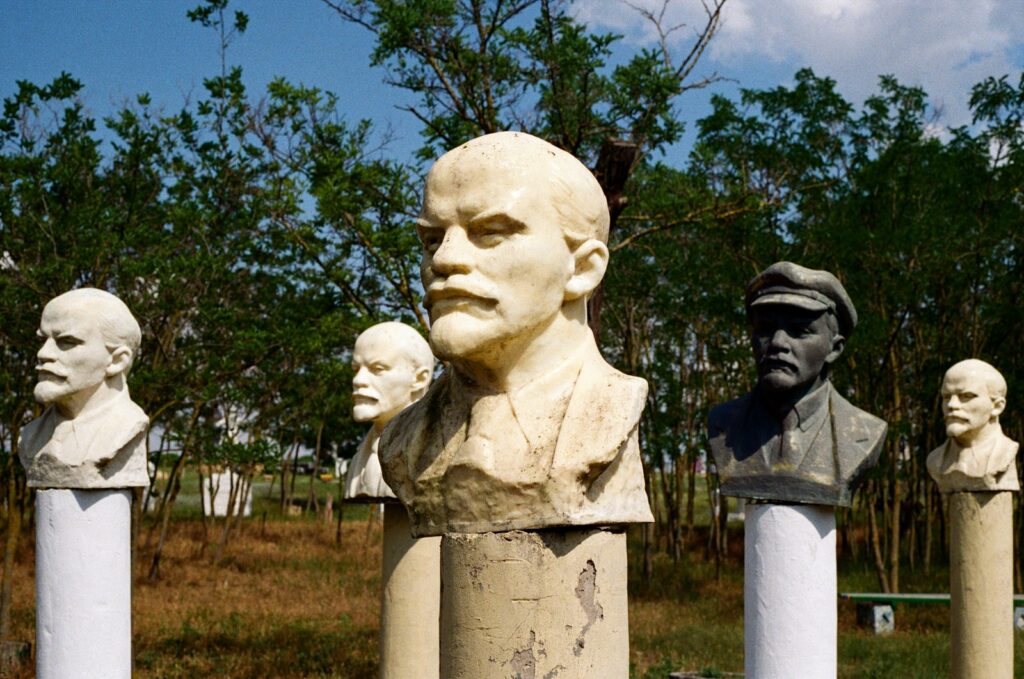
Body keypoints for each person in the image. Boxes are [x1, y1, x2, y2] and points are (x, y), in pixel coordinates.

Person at [379, 131, 653, 536]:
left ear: (581, 269)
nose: (444, 259)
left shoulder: (610, 414)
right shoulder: (401, 443)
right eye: (431, 239)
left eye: (490, 231)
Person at [708, 262, 887, 506]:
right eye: (765, 329)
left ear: (834, 349)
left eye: (799, 331)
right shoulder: (723, 426)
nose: (778, 342)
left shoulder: (865, 432)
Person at [19, 288, 150, 488]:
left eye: (67, 342)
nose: (43, 353)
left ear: (116, 360)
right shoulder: (30, 437)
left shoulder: (127, 428)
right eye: (42, 339)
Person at [344, 322, 433, 501]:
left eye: (378, 369)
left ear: (419, 379)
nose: (358, 380)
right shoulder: (358, 460)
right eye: (356, 369)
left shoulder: (432, 458)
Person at [927, 359, 1018, 492]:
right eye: (946, 397)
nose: (951, 405)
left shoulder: (1006, 453)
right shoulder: (935, 461)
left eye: (966, 396)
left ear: (997, 407)